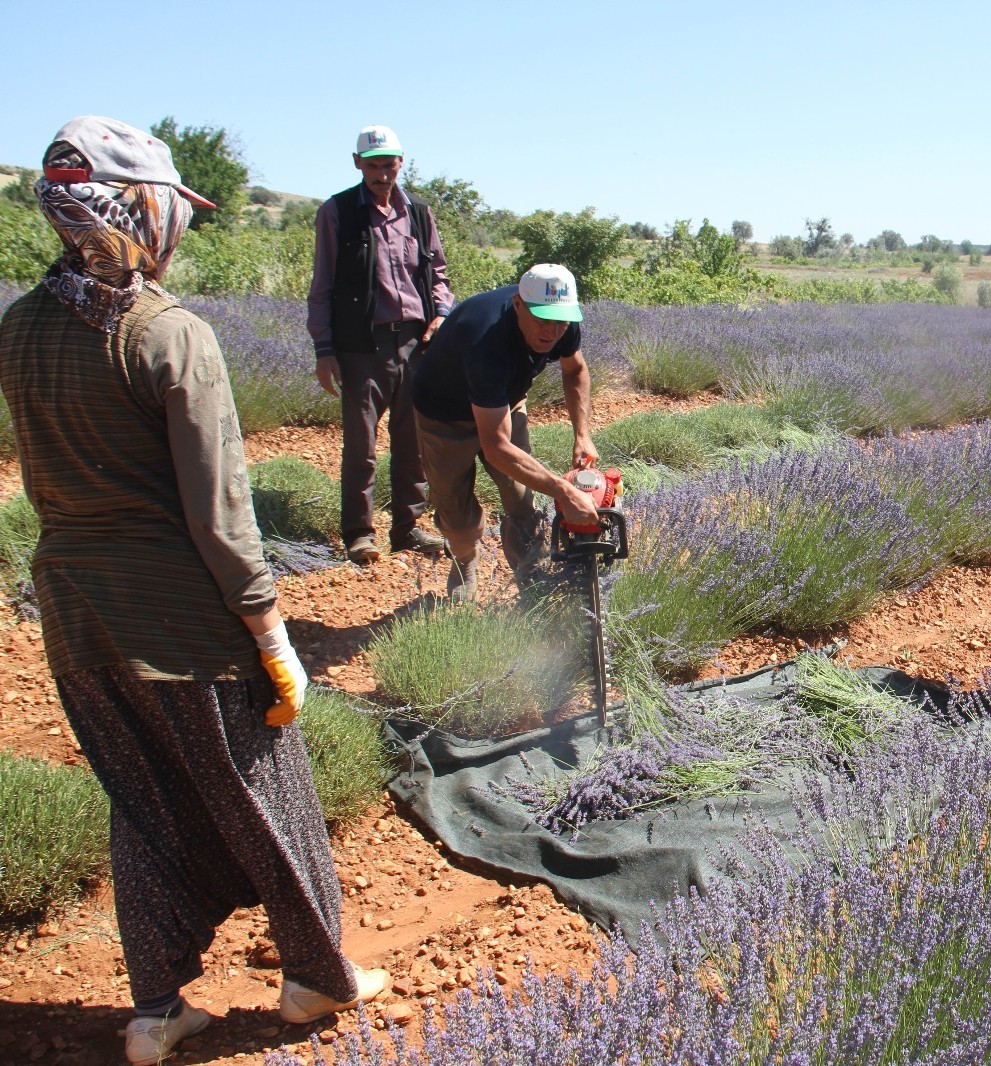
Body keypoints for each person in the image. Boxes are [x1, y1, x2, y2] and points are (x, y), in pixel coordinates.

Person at [0, 116, 387, 1066]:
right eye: (174, 209)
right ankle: (315, 979)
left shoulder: (19, 325)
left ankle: (155, 1012)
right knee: (267, 790)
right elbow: (221, 516)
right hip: (182, 621)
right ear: (138, 209)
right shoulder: (169, 332)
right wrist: (270, 631)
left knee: (141, 802)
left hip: (77, 613)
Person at [410, 263, 601, 601]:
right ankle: (464, 555)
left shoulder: (561, 324)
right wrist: (564, 492)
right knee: (458, 520)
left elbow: (576, 370)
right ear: (517, 305)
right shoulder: (485, 341)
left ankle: (532, 582)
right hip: (444, 414)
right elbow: (496, 447)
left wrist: (582, 433)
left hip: (504, 400)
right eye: (541, 319)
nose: (552, 331)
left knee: (522, 500)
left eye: (560, 321)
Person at [306, 124, 451, 564]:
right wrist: (324, 350)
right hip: (360, 347)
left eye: (389, 165)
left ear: (401, 163)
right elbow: (323, 285)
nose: (382, 174)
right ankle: (360, 533)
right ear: (357, 164)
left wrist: (442, 315)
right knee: (361, 446)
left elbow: (438, 275)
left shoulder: (420, 214)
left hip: (414, 344)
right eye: (373, 166)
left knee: (413, 443)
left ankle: (407, 529)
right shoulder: (337, 213)